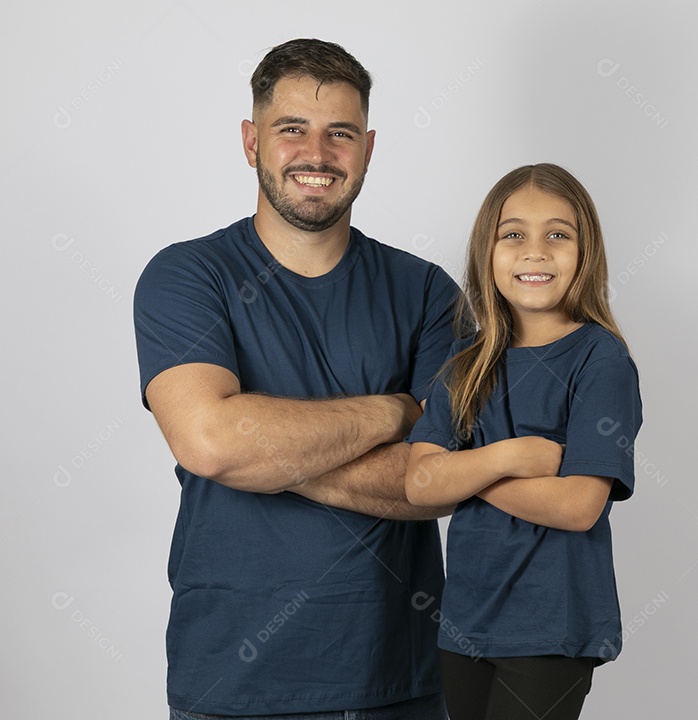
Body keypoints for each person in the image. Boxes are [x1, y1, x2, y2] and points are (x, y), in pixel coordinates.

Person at [133, 39, 459, 719]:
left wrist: (260, 457)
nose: (317, 153)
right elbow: (210, 442)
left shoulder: (428, 293)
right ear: (251, 142)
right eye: (291, 129)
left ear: (368, 148)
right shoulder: (188, 276)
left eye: (340, 132)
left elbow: (439, 483)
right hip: (230, 681)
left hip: (396, 678)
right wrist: (398, 412)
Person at [403, 164, 643, 720]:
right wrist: (506, 457)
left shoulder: (600, 360)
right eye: (513, 234)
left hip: (551, 627)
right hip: (464, 622)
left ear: (586, 252)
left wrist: (465, 472)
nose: (535, 251)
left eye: (558, 234)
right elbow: (420, 484)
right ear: (487, 252)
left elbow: (577, 505)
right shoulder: (465, 363)